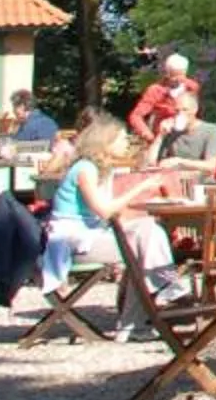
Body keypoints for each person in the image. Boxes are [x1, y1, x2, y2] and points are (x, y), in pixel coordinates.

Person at [42, 117, 189, 331]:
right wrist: (140, 188)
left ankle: (153, 302)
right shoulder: (85, 169)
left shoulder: (101, 169)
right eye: (121, 139)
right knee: (141, 246)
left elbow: (110, 212)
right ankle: (149, 306)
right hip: (72, 240)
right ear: (105, 143)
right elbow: (105, 210)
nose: (126, 143)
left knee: (148, 231)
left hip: (91, 233)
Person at [126, 51, 194, 145]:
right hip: (163, 138)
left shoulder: (192, 87)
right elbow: (136, 116)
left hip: (187, 138)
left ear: (185, 72)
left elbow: (196, 111)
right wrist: (148, 135)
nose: (177, 79)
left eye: (180, 75)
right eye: (173, 75)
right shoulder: (155, 90)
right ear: (167, 72)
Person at [153, 82, 216, 167]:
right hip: (175, 177)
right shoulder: (172, 131)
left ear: (195, 110)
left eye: (185, 110)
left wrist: (179, 161)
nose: (180, 114)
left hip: (200, 178)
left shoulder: (210, 130)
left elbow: (211, 165)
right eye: (177, 111)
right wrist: (160, 135)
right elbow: (151, 162)